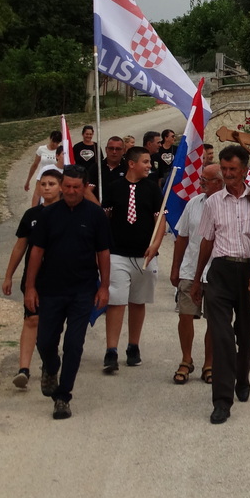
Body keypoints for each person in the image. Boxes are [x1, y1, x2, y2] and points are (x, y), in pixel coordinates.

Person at [190, 144, 250, 425]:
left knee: (246, 335)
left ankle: (243, 375)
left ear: (243, 170)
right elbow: (207, 240)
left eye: (232, 170)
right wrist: (197, 278)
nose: (227, 175)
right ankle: (222, 401)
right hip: (221, 272)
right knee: (221, 337)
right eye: (224, 169)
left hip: (249, 274)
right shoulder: (214, 202)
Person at [23, 165, 111, 419]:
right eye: (67, 186)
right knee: (45, 341)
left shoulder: (95, 215)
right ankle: (51, 367)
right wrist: (30, 287)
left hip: (82, 290)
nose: (71, 192)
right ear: (62, 186)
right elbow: (36, 252)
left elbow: (103, 253)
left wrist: (104, 287)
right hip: (50, 289)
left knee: (74, 344)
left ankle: (63, 396)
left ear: (85, 187)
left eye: (76, 187)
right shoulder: (48, 215)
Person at [100, 146, 164, 372]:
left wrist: (155, 245)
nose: (150, 166)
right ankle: (111, 350)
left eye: (150, 162)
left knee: (138, 301)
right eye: (146, 162)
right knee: (116, 301)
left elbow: (160, 219)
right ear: (132, 163)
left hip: (145, 256)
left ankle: (133, 346)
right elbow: (105, 216)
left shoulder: (152, 189)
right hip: (118, 253)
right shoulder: (114, 187)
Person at [1, 167, 62, 389]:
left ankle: (49, 364)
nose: (46, 188)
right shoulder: (32, 216)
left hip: (60, 279)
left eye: (51, 184)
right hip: (34, 279)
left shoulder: (68, 212)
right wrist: (9, 276)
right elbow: (20, 247)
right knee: (31, 320)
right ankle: (23, 369)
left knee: (53, 325)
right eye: (43, 184)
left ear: (61, 187)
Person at [170, 163, 223, 385]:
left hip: (216, 272)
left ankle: (209, 363)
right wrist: (175, 267)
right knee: (185, 315)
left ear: (219, 183)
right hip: (190, 269)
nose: (200, 182)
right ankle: (186, 359)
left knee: (214, 320)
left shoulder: (225, 206)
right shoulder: (193, 203)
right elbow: (182, 236)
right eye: (201, 178)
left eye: (206, 179)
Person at [23, 130, 65, 202]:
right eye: (53, 141)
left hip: (55, 177)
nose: (54, 144)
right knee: (38, 194)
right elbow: (35, 165)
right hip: (42, 176)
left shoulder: (60, 152)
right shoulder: (41, 149)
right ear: (50, 138)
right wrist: (28, 181)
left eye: (57, 142)